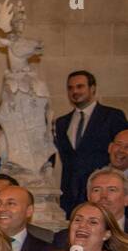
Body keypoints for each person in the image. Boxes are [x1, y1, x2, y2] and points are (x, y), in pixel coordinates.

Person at [53, 71, 128, 216]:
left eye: (80, 86)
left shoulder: (112, 116)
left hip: (102, 193)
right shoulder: (61, 122)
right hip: (70, 196)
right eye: (70, 88)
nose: (75, 91)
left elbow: (123, 150)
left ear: (92, 88)